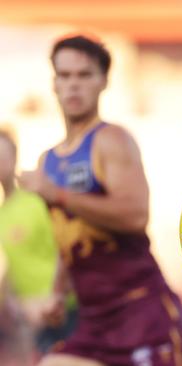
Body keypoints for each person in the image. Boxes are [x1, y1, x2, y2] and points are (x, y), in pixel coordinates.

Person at [19, 35, 182, 366]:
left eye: (84, 75)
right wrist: (59, 291)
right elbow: (68, 237)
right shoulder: (49, 161)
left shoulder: (111, 140)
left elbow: (135, 215)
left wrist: (56, 194)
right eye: (65, 75)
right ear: (53, 83)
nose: (73, 85)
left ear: (103, 82)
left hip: (143, 316)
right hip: (94, 324)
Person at [1, 127, 78, 365]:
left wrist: (54, 297)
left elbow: (65, 247)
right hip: (33, 322)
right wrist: (13, 303)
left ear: (14, 157)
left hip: (63, 311)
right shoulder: (3, 213)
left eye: (2, 155)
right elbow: (16, 263)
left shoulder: (36, 200)